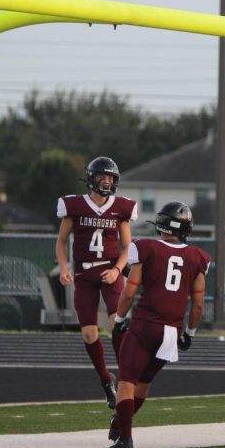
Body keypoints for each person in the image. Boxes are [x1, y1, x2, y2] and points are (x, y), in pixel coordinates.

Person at [108, 202, 210, 448]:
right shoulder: (198, 257)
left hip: (145, 325)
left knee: (126, 382)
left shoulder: (145, 247)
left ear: (161, 224)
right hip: (171, 332)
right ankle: (122, 423)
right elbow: (197, 305)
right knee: (142, 385)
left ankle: (126, 437)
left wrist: (120, 320)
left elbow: (130, 290)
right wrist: (190, 333)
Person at [55, 156, 137, 409]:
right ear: (91, 178)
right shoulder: (75, 206)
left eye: (110, 177)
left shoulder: (121, 208)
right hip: (84, 274)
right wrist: (64, 268)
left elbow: (128, 247)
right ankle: (105, 380)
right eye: (102, 176)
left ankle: (125, 374)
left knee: (117, 323)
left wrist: (117, 270)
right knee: (89, 333)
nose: (106, 181)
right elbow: (60, 242)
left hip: (110, 272)